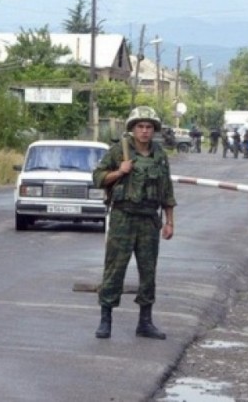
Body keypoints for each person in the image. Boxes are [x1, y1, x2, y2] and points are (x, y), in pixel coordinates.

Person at [92, 106, 176, 340]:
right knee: (114, 269)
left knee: (148, 272)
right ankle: (105, 320)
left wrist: (169, 221)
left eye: (149, 127)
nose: (145, 131)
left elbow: (166, 189)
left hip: (149, 219)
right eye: (140, 126)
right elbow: (97, 178)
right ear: (132, 128)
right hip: (123, 218)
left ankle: (145, 322)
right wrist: (119, 172)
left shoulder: (159, 154)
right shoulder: (119, 151)